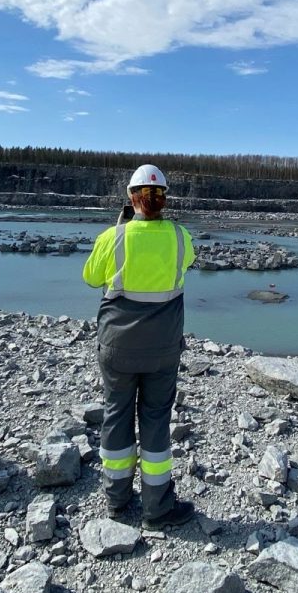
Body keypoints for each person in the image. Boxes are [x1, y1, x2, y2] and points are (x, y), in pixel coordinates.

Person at [83, 164, 197, 530]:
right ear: (163, 199)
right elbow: (185, 266)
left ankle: (117, 500)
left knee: (116, 413)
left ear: (132, 198)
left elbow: (90, 278)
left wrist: (123, 228)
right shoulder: (181, 237)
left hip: (117, 347)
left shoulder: (112, 237)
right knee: (156, 418)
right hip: (163, 348)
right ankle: (157, 507)